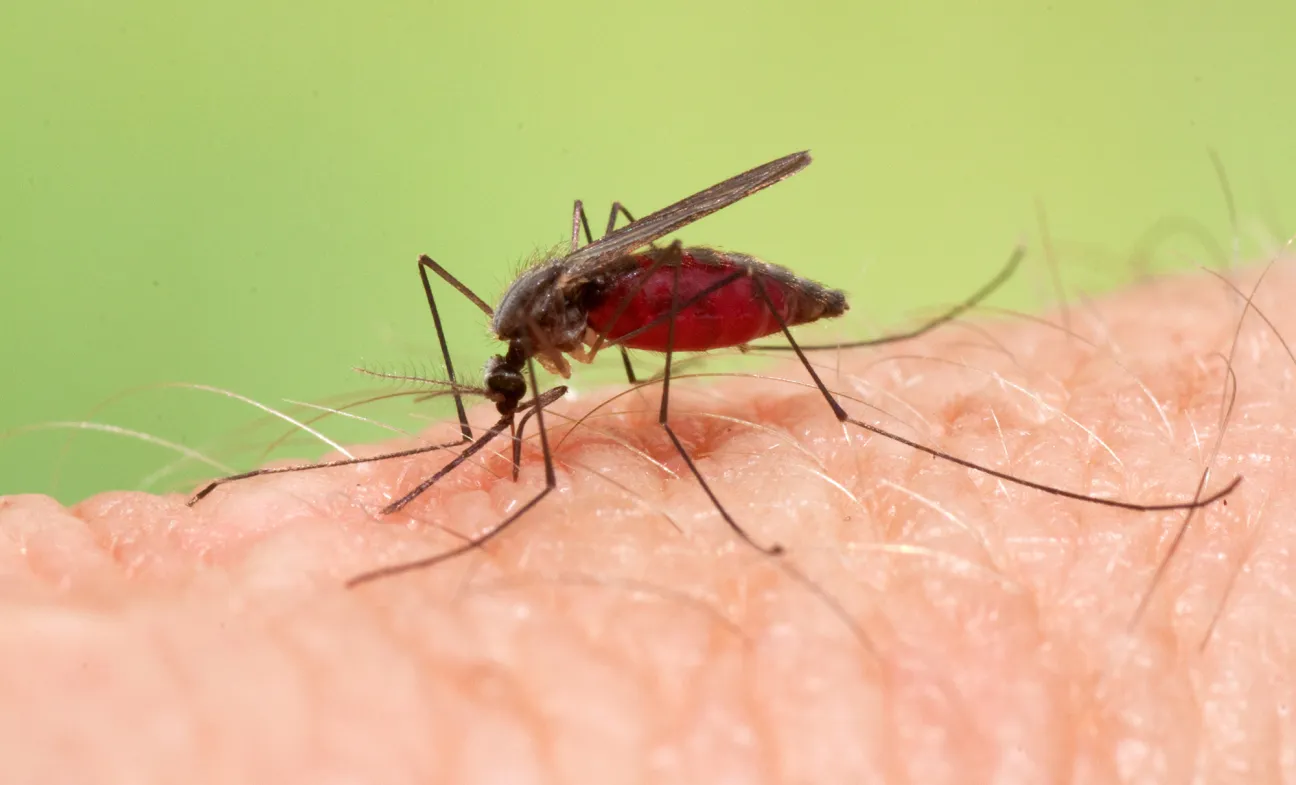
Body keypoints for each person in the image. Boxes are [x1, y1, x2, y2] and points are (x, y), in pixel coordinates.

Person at [0, 260, 1286, 782]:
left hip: (672, 296)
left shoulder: (554, 341)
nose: (506, 401)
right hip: (623, 301)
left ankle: (812, 411)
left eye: (500, 397)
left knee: (655, 390)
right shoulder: (525, 338)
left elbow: (603, 313)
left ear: (518, 364)